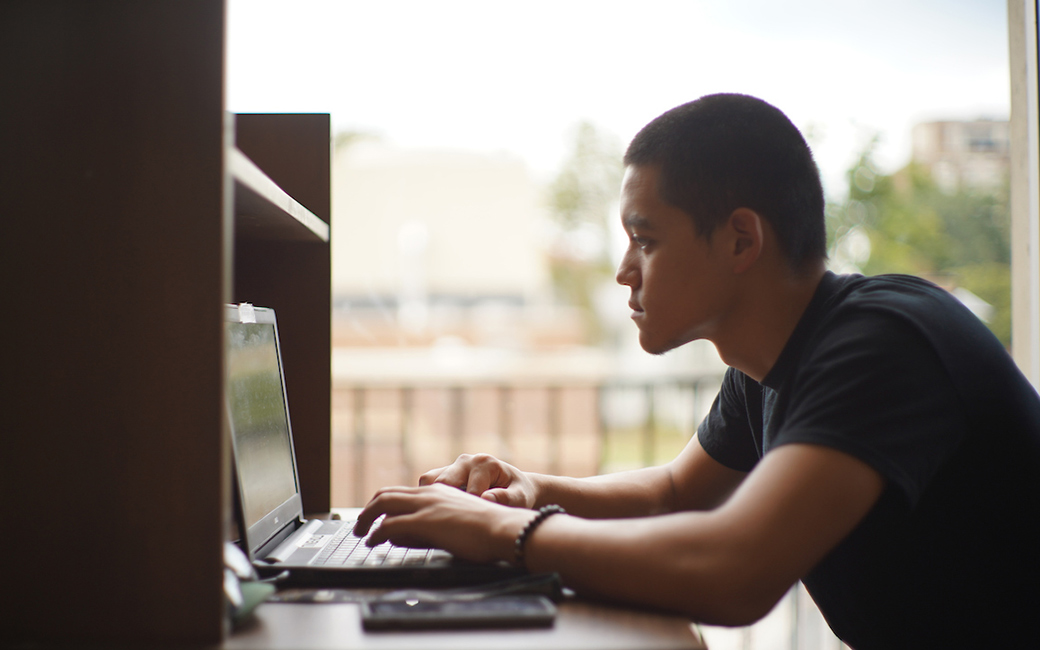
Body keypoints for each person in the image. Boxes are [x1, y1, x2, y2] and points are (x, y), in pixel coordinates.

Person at [354, 94, 1040, 648]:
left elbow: (735, 572)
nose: (624, 271)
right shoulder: (769, 362)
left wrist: (505, 535)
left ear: (741, 238)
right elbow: (678, 493)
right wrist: (529, 488)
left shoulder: (883, 343)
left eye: (645, 240)